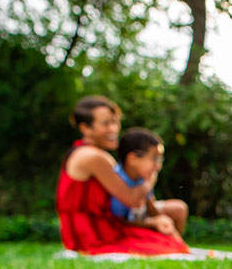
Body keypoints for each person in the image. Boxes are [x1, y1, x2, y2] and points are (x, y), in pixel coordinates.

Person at [56, 96, 189, 255]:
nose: (114, 129)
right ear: (85, 128)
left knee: (168, 241)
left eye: (115, 122)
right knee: (163, 247)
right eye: (106, 123)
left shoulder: (93, 154)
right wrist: (149, 181)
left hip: (101, 225)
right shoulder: (92, 157)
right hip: (91, 233)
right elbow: (130, 198)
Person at [110, 127, 189, 237]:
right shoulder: (117, 179)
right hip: (122, 223)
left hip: (138, 215)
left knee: (179, 208)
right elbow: (118, 220)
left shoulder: (141, 176)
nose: (158, 166)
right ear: (132, 159)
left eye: (160, 160)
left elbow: (151, 205)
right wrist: (152, 222)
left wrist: (164, 223)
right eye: (154, 159)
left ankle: (173, 243)